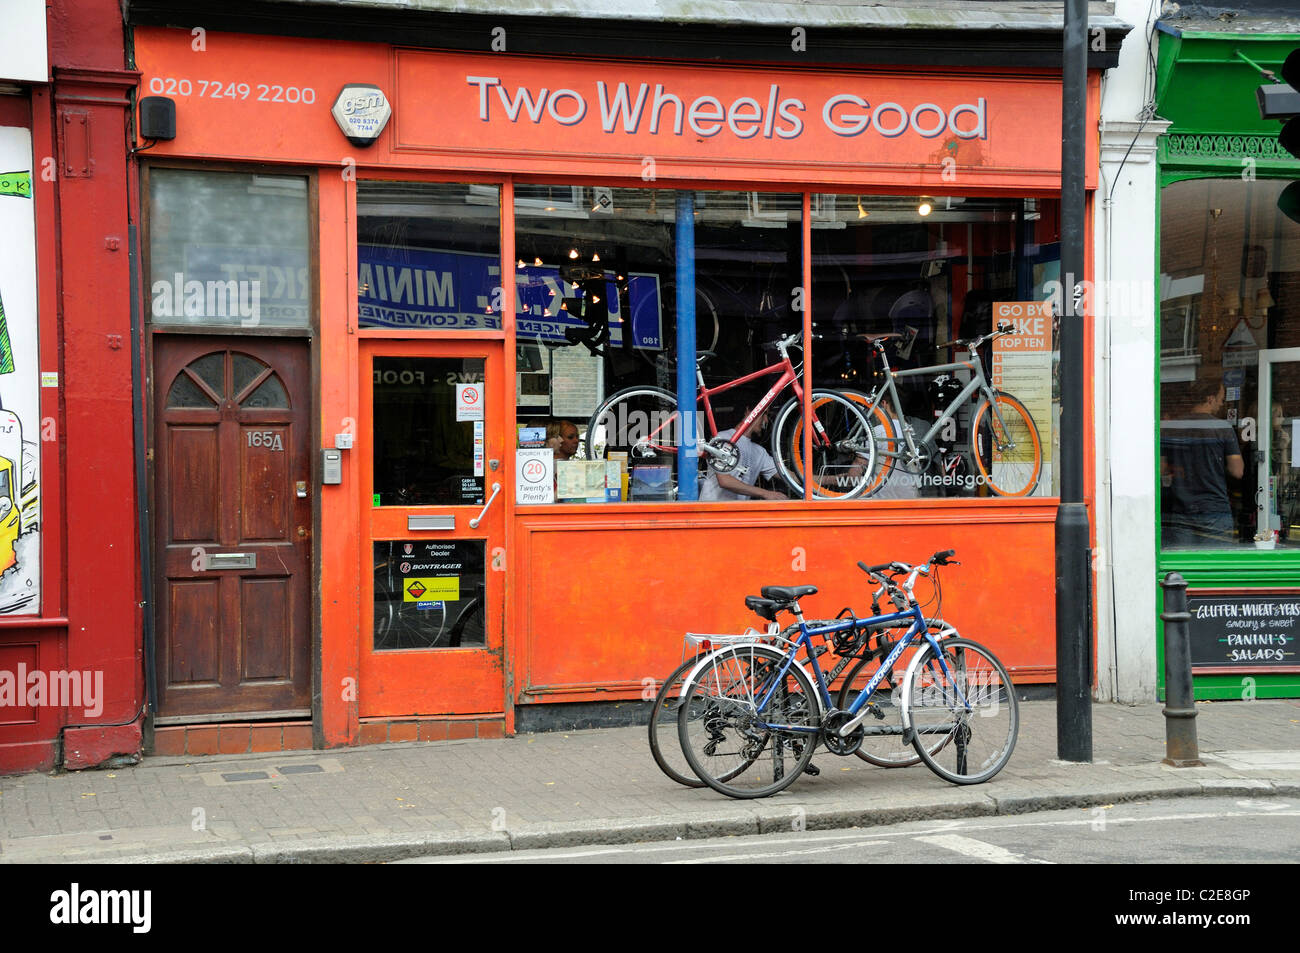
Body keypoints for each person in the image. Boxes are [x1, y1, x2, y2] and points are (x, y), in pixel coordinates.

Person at [1160, 378, 1244, 547]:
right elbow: (1237, 471)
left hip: (1180, 509)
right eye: (1220, 398)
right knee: (1215, 567)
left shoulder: (1172, 427)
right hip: (1214, 509)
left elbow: (1160, 469)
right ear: (1210, 399)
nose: (1222, 403)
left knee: (1182, 566)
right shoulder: (1222, 428)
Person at [699, 404, 787, 501]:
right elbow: (724, 480)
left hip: (737, 513)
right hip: (712, 512)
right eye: (764, 414)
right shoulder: (724, 438)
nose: (766, 420)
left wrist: (804, 476)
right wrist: (765, 493)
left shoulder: (760, 452)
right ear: (748, 411)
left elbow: (786, 474)